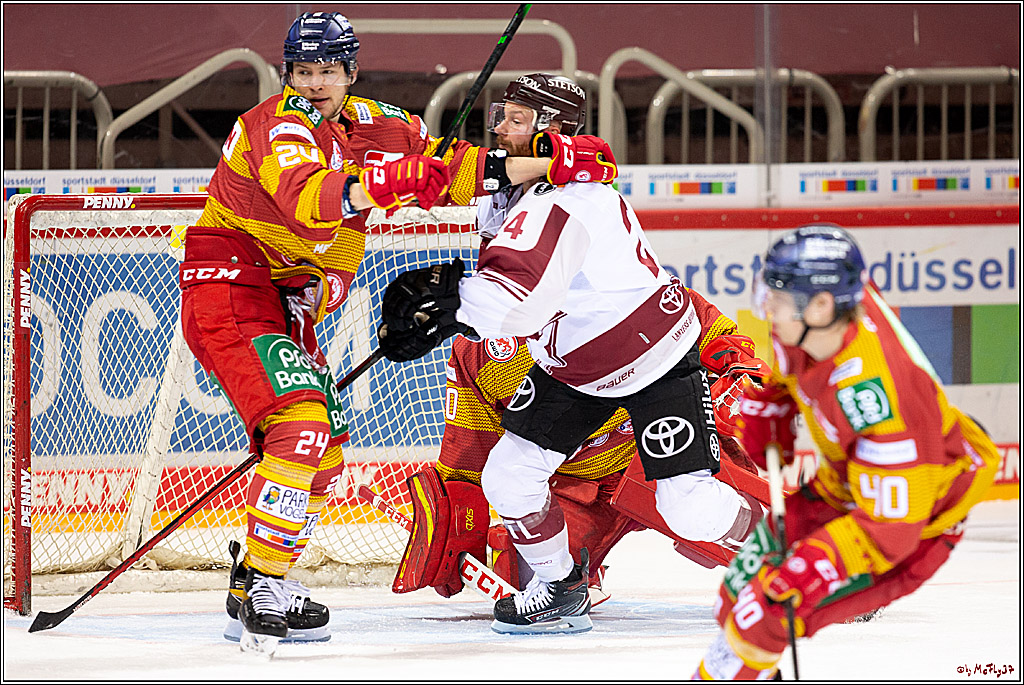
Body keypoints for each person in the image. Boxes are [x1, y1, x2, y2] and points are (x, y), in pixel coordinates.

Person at [178, 12, 619, 651]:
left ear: (351, 71)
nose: (317, 83)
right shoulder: (274, 125)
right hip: (234, 288)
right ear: (287, 75)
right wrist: (386, 184)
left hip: (293, 304)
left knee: (320, 448)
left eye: (329, 70)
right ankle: (263, 590)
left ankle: (253, 580)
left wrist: (560, 159)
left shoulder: (384, 124)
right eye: (304, 71)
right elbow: (311, 198)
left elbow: (465, 170)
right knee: (301, 431)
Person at [376, 73, 774, 634]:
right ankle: (560, 584)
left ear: (551, 129)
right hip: (576, 369)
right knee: (509, 476)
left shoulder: (570, 198)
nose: (499, 128)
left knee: (689, 505)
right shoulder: (524, 184)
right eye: (500, 115)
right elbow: (465, 179)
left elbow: (517, 298)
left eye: (515, 119)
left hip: (651, 362)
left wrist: (452, 308)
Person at [691, 224, 1000, 680]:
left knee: (767, 615)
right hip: (848, 485)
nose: (767, 308)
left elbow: (890, 531)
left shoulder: (882, 404)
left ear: (820, 305)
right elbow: (796, 373)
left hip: (918, 521)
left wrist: (816, 565)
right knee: (737, 592)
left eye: (779, 295)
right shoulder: (811, 322)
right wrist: (776, 403)